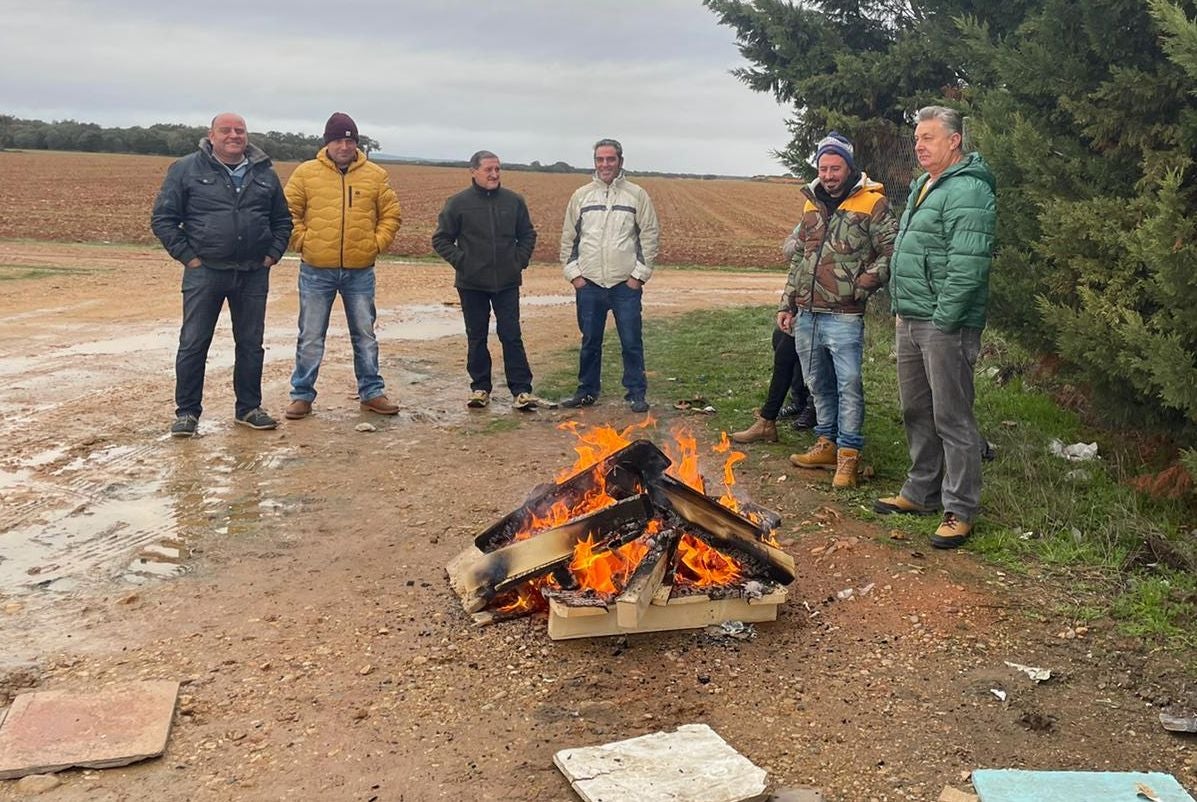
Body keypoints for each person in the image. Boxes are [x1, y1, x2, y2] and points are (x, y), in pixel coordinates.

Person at [874, 106, 996, 549]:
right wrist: (904, 310)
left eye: (929, 137)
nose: (920, 146)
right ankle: (920, 491)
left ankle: (959, 509)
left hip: (945, 322)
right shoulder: (926, 185)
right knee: (916, 410)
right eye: (917, 139)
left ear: (954, 141)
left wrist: (944, 319)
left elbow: (968, 267)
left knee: (952, 417)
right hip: (911, 317)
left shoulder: (967, 190)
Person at [151, 112, 292, 438]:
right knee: (194, 343)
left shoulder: (265, 173)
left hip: (253, 272)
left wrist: (272, 254)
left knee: (251, 344)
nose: (234, 135)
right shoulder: (186, 169)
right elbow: (164, 219)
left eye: (239, 131)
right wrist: (189, 257)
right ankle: (187, 413)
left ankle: (248, 408)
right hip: (206, 272)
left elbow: (282, 220)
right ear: (211, 136)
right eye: (226, 130)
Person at [781, 132, 897, 487]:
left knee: (848, 384)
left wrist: (862, 285)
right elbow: (800, 256)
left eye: (836, 167)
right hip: (807, 312)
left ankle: (848, 454)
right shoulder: (810, 204)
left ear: (849, 167)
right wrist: (787, 302)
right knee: (817, 382)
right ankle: (826, 442)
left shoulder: (872, 203)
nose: (829, 174)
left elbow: (892, 252)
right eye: (824, 167)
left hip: (844, 314)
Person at [282, 112, 402, 420]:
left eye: (350, 140)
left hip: (360, 270)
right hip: (316, 269)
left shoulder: (375, 175)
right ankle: (302, 395)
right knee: (310, 335)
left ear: (356, 143)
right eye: (338, 140)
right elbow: (287, 213)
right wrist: (304, 241)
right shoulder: (306, 174)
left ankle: (372, 393)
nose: (345, 146)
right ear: (327, 143)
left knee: (364, 333)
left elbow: (391, 215)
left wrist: (376, 244)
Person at [432, 151, 546, 410]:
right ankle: (480, 388)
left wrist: (518, 261)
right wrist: (463, 262)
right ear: (473, 171)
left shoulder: (514, 201)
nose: (494, 174)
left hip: (506, 282)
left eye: (497, 169)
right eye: (488, 170)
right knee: (477, 336)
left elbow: (527, 234)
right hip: (471, 284)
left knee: (511, 335)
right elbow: (440, 239)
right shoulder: (458, 203)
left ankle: (521, 390)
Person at [558, 138, 660, 413]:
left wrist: (638, 277)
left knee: (631, 341)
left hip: (624, 285)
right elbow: (569, 237)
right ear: (595, 163)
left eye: (610, 159)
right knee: (590, 341)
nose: (605, 165)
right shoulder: (581, 196)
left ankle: (636, 393)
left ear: (620, 162)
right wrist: (574, 275)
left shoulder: (636, 195)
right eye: (600, 160)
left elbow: (649, 236)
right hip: (589, 283)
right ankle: (587, 391)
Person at [730, 233, 815, 444]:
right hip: (805, 298)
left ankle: (803, 410)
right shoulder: (812, 210)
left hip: (828, 303)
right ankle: (798, 400)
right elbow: (790, 249)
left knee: (790, 349)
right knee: (782, 339)